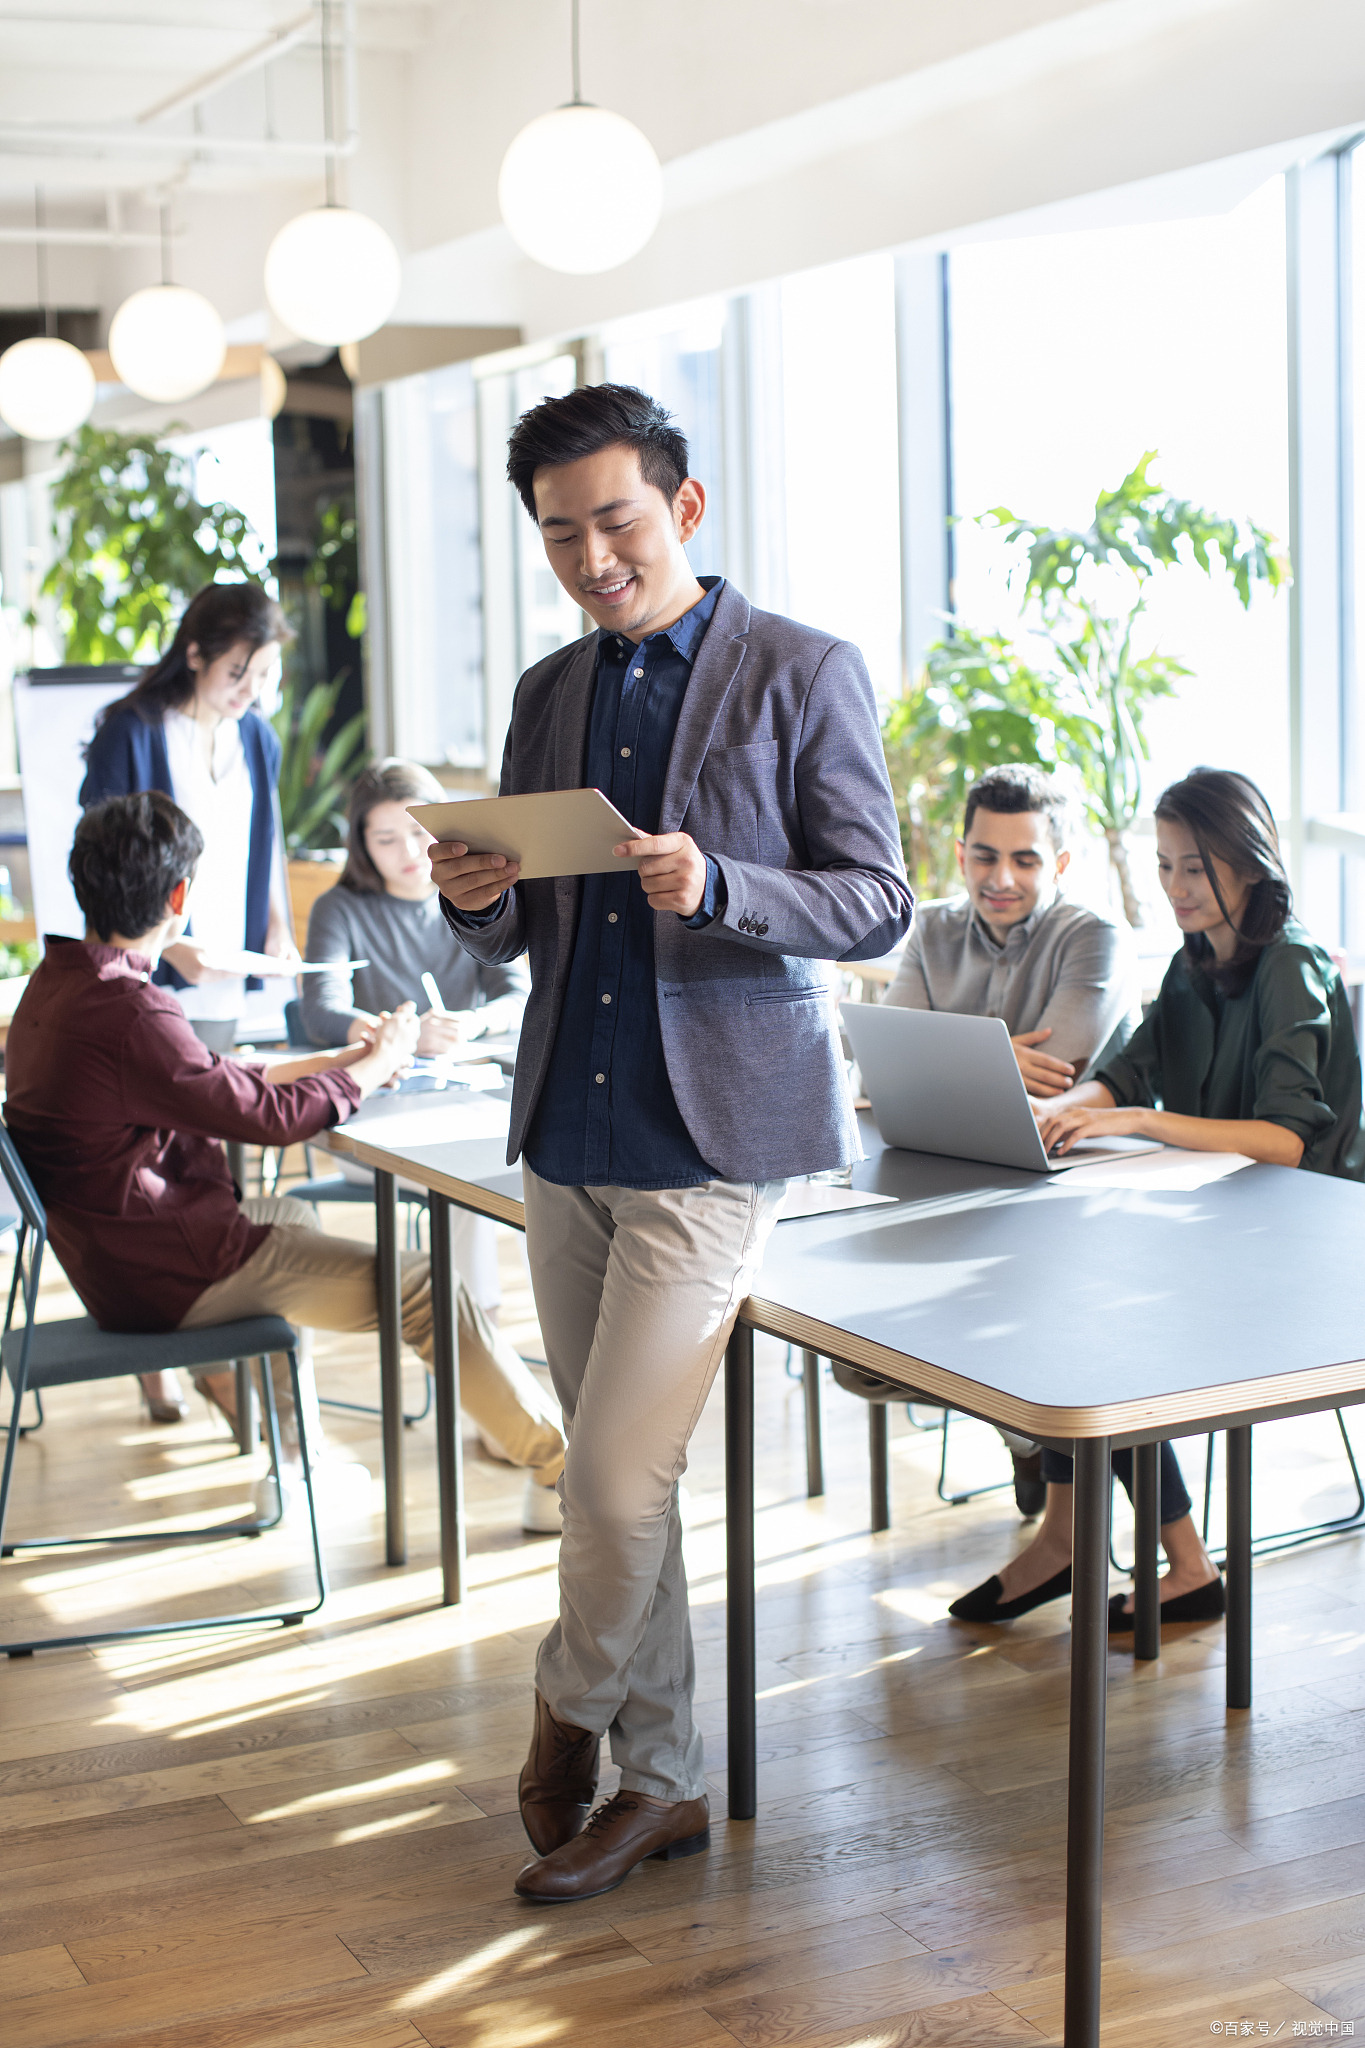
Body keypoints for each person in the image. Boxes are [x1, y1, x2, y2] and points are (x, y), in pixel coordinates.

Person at [432, 383, 914, 1903]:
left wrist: (719, 886)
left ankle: (566, 1711)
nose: (592, 555)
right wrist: (470, 895)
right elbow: (516, 933)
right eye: (562, 532)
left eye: (617, 520)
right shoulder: (547, 687)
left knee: (618, 1488)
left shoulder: (800, 669)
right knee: (607, 1479)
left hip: (714, 1145)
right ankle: (667, 1783)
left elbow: (876, 900)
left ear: (684, 509)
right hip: (565, 1132)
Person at [3, 792, 566, 1529]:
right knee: (424, 1285)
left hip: (116, 1253)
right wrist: (374, 1067)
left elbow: (205, 1077)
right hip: (166, 1274)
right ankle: (564, 1472)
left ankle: (297, 1462)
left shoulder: (62, 986)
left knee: (289, 1211)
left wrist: (343, 1058)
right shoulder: (130, 1013)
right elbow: (267, 1121)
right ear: (179, 895)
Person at [949, 767, 1365, 1633]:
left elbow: (1284, 1143)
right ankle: (1078, 1540)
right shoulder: (1194, 961)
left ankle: (1180, 1567)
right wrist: (1068, 1109)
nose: (1174, 888)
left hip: (1310, 1252)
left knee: (1091, 1323)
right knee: (1053, 1295)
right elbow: (1130, 1067)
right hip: (1224, 1224)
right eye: (1165, 865)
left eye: (1194, 868)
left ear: (1248, 865)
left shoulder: (1291, 965)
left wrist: (1141, 1119)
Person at [883, 762, 1140, 1512]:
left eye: (1024, 859)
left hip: (1074, 1198)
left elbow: (1055, 1070)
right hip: (942, 1171)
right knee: (862, 1349)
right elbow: (889, 1054)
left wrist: (945, 1045)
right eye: (985, 856)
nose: (1000, 877)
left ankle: (1035, 1435)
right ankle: (1025, 1435)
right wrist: (997, 1052)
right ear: (961, 853)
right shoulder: (929, 927)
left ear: (1057, 863)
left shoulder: (1094, 937)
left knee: (987, 1316)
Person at [80, 582, 301, 1423]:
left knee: (221, 1149)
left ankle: (221, 1336)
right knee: (160, 1160)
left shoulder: (257, 736)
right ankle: (163, 1348)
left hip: (231, 968)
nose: (249, 690)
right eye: (237, 672)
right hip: (151, 970)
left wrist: (278, 925)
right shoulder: (133, 731)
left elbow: (265, 838)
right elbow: (100, 857)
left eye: (263, 675)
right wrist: (163, 942)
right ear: (198, 654)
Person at [301, 758, 532, 1325]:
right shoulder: (340, 908)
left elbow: (516, 994)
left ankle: (471, 1334)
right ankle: (474, 1331)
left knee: (483, 1166)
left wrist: (469, 1024)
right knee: (464, 1177)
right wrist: (397, 1036)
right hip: (372, 1115)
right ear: (361, 844)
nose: (408, 852)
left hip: (456, 1104)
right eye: (385, 838)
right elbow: (321, 1010)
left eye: (418, 832)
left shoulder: (474, 898)